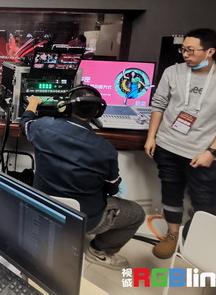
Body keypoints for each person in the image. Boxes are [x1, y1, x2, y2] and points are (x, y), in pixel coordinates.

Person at [20, 86, 145, 270]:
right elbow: (112, 189)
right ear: (98, 112)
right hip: (83, 219)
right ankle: (98, 251)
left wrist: (32, 103)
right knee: (137, 214)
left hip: (44, 209)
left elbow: (24, 123)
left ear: (66, 107)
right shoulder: (106, 150)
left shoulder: (43, 127)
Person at [145, 28, 216, 259]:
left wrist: (212, 151)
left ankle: (199, 241)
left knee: (204, 200)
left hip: (202, 152)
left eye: (191, 50)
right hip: (168, 145)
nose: (185, 55)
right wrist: (151, 137)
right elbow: (158, 105)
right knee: (171, 190)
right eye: (183, 50)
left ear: (210, 51)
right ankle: (172, 234)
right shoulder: (173, 71)